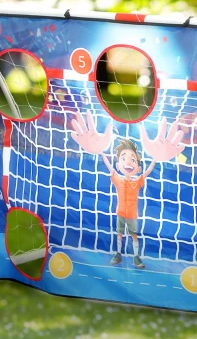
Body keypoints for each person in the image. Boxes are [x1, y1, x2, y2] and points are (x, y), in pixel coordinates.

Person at [70, 111, 185, 269]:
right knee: (119, 234)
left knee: (133, 235)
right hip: (120, 213)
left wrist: (157, 157)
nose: (128, 163)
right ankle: (118, 254)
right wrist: (99, 150)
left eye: (132, 160)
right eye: (123, 158)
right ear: (118, 164)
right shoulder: (118, 178)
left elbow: (148, 171)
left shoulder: (137, 181)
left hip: (132, 215)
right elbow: (109, 167)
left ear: (138, 166)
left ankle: (136, 257)